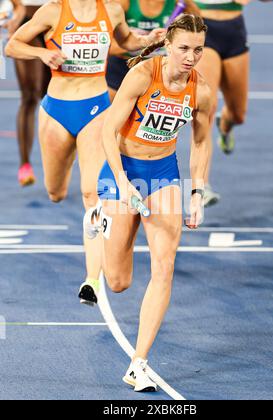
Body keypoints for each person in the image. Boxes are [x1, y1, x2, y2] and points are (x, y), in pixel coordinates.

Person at [5, 0, 165, 302]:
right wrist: (42, 53)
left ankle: (92, 279)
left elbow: (126, 40)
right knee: (56, 192)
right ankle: (62, 177)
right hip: (56, 111)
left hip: (96, 107)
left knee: (91, 193)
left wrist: (146, 40)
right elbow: (13, 46)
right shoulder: (53, 11)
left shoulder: (112, 10)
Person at [85, 13, 212, 392]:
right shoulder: (143, 76)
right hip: (122, 168)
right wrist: (122, 182)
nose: (190, 57)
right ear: (169, 46)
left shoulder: (201, 90)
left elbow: (202, 143)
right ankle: (97, 216)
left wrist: (197, 193)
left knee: (165, 263)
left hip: (163, 174)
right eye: (184, 49)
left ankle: (138, 362)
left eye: (198, 50)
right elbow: (109, 130)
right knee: (119, 281)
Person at [194, 0, 272, 207]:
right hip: (201, 27)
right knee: (205, 109)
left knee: (238, 114)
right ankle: (201, 186)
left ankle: (225, 125)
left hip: (233, 29)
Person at [106, 0, 202, 102]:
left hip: (158, 71)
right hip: (122, 68)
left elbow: (195, 37)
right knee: (112, 113)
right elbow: (107, 46)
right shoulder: (123, 3)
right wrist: (142, 42)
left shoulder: (182, 4)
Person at [5, 0, 51, 187]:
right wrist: (17, 8)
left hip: (60, 23)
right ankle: (25, 164)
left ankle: (60, 159)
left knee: (53, 96)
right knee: (30, 96)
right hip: (27, 21)